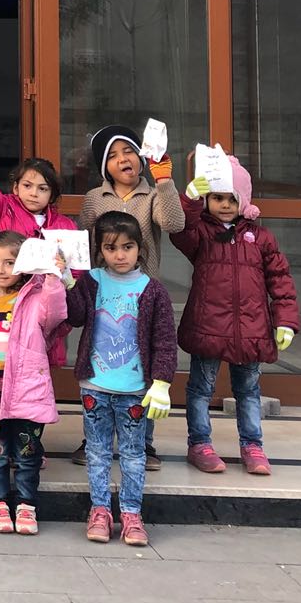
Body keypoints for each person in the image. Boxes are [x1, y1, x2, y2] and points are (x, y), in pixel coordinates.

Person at [176, 154, 299, 477]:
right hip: (208, 326)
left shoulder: (261, 238)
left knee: (248, 391)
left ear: (243, 200)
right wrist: (189, 200)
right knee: (201, 388)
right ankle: (199, 443)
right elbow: (180, 231)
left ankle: (252, 445)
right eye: (217, 197)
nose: (225, 205)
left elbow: (281, 280)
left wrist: (285, 320)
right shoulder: (201, 234)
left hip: (251, 328)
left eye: (232, 198)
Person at [65, 211, 178, 547]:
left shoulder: (152, 290)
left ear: (139, 248)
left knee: (133, 454)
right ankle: (100, 510)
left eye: (127, 247)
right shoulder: (92, 281)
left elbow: (164, 339)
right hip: (95, 386)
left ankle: (131, 513)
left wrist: (161, 382)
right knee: (97, 452)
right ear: (100, 250)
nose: (120, 255)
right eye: (111, 247)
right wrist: (67, 282)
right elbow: (75, 317)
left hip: (134, 390)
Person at [74, 125, 181, 470]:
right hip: (105, 293)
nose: (123, 159)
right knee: (102, 362)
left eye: (129, 151)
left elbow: (174, 223)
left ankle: (143, 441)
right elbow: (82, 241)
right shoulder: (95, 198)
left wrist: (164, 181)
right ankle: (94, 437)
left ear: (141, 156)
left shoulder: (151, 194)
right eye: (114, 155)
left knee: (141, 365)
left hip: (142, 294)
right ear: (104, 166)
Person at [0, 229, 68, 536]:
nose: (0, 269)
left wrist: (53, 276)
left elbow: (55, 313)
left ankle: (26, 504)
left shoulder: (35, 298)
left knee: (27, 453)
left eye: (10, 263)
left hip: (27, 390)